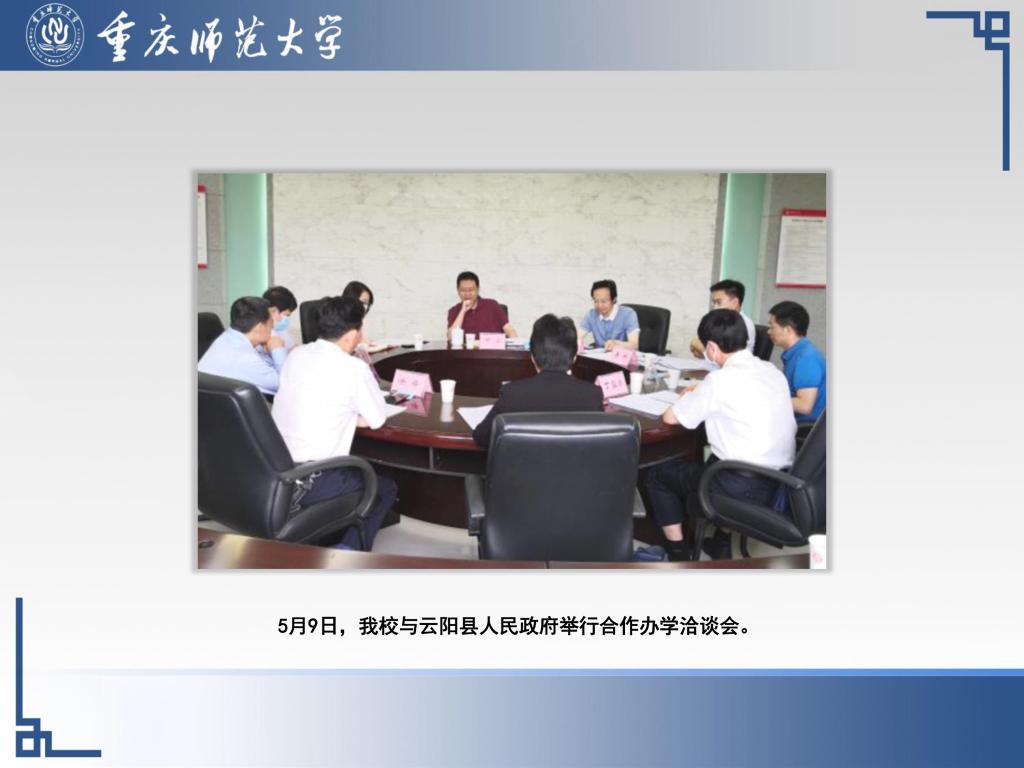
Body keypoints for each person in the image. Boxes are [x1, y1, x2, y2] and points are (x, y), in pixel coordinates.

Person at [645, 309, 796, 561]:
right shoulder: (773, 371)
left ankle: (678, 555)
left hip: (735, 485)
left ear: (712, 348)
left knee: (657, 475)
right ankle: (721, 542)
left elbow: (671, 418)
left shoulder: (719, 381)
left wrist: (692, 394)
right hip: (779, 482)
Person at [272, 296, 398, 551]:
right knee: (385, 488)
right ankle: (348, 553)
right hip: (313, 478)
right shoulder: (352, 368)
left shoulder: (296, 355)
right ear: (352, 335)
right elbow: (376, 419)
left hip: (276, 469)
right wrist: (353, 416)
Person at [472, 314, 604, 447]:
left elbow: (481, 437)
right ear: (574, 358)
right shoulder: (593, 395)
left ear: (532, 358)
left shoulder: (512, 393)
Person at [198, 296, 286, 395]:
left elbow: (263, 367)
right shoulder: (246, 359)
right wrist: (278, 350)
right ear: (259, 327)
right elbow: (288, 385)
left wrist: (267, 352)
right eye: (271, 324)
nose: (272, 328)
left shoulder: (227, 338)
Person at [767, 300, 826, 424]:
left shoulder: (806, 358)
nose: (768, 331)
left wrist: (768, 398)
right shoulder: (798, 353)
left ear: (787, 330)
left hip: (805, 428)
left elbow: (805, 406)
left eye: (772, 327)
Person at [689, 279, 756, 357]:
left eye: (718, 302)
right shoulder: (723, 321)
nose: (714, 307)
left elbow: (727, 358)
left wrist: (701, 349)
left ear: (735, 303)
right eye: (714, 303)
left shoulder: (744, 324)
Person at [447, 271, 517, 338]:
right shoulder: (454, 311)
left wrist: (514, 343)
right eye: (463, 290)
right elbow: (451, 337)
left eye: (471, 290)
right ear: (458, 291)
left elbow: (509, 330)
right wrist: (462, 311)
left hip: (491, 346)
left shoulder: (492, 305)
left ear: (478, 289)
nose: (467, 294)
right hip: (467, 347)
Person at [579, 279, 640, 351]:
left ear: (614, 299)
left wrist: (616, 343)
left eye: (603, 301)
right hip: (599, 356)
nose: (599, 305)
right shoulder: (591, 315)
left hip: (621, 356)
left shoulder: (628, 314)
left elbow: (634, 345)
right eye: (596, 301)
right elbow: (577, 337)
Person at [262, 285, 298, 351]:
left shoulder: (280, 330)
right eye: (286, 315)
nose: (286, 319)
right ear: (273, 311)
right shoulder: (260, 334)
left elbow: (294, 349)